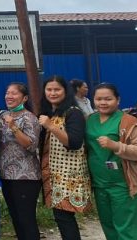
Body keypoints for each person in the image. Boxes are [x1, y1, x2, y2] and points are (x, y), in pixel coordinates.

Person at [85, 83, 137, 240]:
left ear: (118, 100)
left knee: (126, 230)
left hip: (123, 185)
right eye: (99, 99)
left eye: (108, 99)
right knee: (109, 226)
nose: (103, 103)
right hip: (99, 185)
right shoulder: (90, 119)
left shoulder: (129, 122)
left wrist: (116, 145)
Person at [39, 75, 91, 240]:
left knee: (64, 217)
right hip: (54, 174)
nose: (52, 93)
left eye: (57, 89)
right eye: (49, 89)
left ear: (65, 91)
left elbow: (74, 143)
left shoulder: (73, 112)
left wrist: (50, 126)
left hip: (69, 175)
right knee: (62, 217)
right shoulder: (51, 112)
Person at [0, 83, 41, 240]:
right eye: (7, 93)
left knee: (26, 219)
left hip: (25, 176)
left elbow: (31, 145)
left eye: (14, 93)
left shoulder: (29, 118)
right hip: (6, 175)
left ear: (25, 98)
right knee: (16, 219)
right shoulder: (3, 116)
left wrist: (14, 127)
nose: (9, 96)